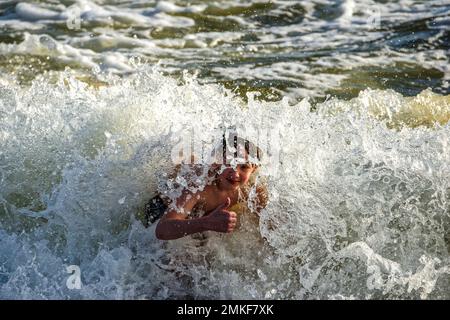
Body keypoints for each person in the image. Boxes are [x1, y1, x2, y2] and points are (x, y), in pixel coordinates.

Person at [144, 134, 268, 240]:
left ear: (254, 169)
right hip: (162, 208)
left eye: (244, 167)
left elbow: (270, 229)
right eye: (229, 163)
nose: (235, 173)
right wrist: (206, 223)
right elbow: (162, 230)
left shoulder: (254, 189)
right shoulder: (199, 185)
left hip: (201, 215)